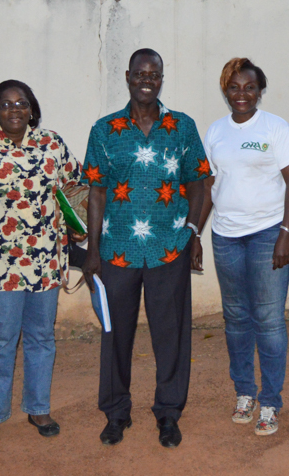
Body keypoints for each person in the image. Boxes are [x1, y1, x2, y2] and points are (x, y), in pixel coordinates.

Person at [82, 48, 210, 448]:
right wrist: (92, 248)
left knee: (170, 335)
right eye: (140, 72)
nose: (146, 79)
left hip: (168, 248)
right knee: (114, 334)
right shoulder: (105, 129)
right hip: (116, 250)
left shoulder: (182, 127)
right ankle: (117, 413)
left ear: (161, 78)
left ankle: (169, 414)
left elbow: (201, 182)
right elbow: (96, 191)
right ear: (127, 76)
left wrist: (192, 232)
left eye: (154, 73)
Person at [0, 80, 82, 446]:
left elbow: (78, 184)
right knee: (0, 341)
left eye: (21, 103)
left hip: (46, 262)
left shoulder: (52, 145)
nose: (14, 110)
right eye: (6, 104)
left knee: (42, 338)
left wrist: (77, 224)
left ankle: (38, 408)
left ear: (31, 109)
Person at [193, 58, 289, 436]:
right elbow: (209, 186)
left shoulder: (275, 128)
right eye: (235, 88)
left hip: (269, 234)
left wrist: (286, 234)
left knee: (268, 320)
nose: (242, 94)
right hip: (226, 235)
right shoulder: (216, 131)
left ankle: (270, 400)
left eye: (250, 87)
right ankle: (245, 392)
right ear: (226, 91)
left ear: (260, 90)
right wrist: (196, 233)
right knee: (236, 318)